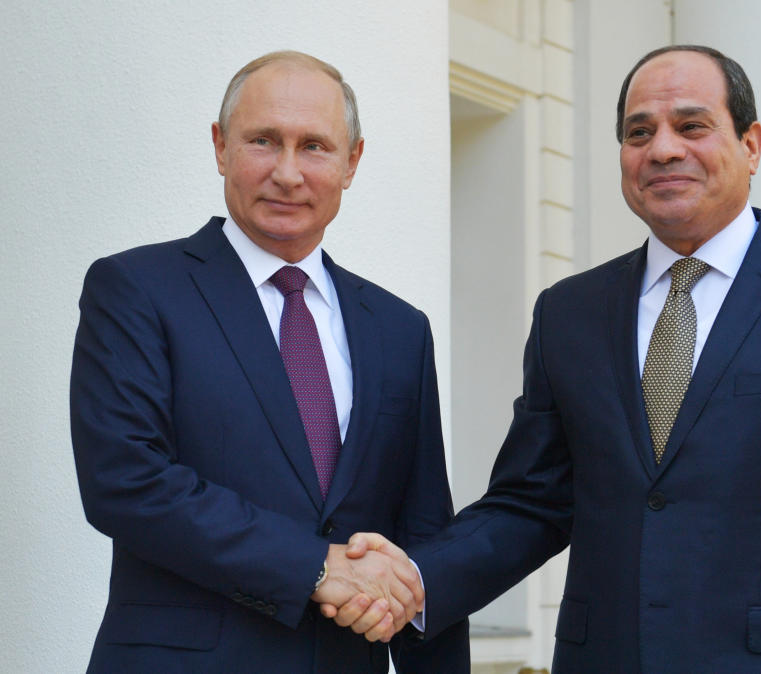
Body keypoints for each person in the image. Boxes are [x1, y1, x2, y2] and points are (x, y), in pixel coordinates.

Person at [335, 45, 761, 672]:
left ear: (751, 144)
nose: (662, 149)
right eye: (639, 133)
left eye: (691, 126)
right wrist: (415, 577)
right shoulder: (568, 312)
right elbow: (531, 504)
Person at [69, 50, 468, 672]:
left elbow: (423, 534)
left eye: (314, 146)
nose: (287, 172)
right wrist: (314, 567)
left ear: (351, 162)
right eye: (263, 140)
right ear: (220, 146)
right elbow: (126, 481)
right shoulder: (136, 289)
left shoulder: (400, 329)